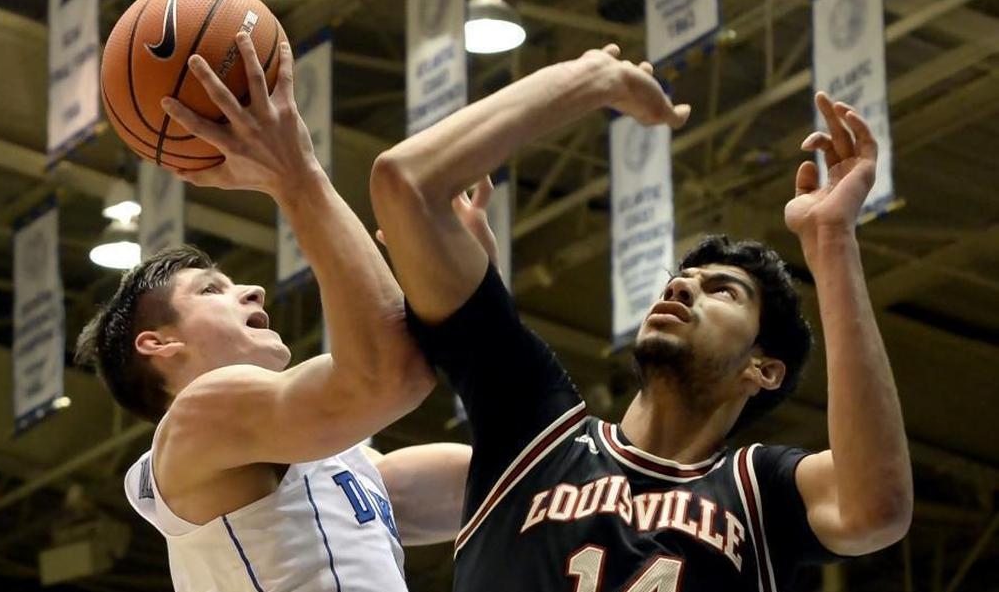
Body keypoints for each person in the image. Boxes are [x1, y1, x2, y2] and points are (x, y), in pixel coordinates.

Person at [370, 43, 912, 591]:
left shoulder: (757, 491)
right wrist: (588, 81)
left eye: (723, 291)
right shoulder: (535, 432)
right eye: (682, 280)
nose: (681, 287)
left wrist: (833, 239)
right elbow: (404, 184)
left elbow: (877, 507)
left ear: (763, 368)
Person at [75, 32, 472, 592]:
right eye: (212, 291)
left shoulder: (351, 467)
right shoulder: (195, 423)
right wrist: (296, 177)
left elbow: (526, 481)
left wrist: (478, 298)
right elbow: (390, 373)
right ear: (157, 343)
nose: (254, 291)